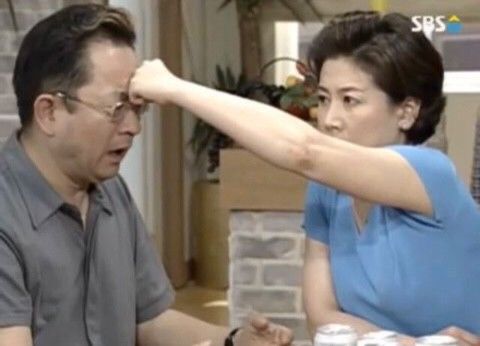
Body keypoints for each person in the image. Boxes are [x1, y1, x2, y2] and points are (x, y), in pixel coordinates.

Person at [129, 10, 480, 346]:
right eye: (324, 99)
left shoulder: (430, 173)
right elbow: (322, 318)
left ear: (406, 111)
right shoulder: (328, 190)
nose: (330, 118)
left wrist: (175, 88)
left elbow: (303, 151)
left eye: (350, 101)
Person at [0, 4, 293, 346]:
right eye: (117, 109)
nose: (134, 127)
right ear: (49, 112)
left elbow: (150, 319)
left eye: (138, 109)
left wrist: (234, 341)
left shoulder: (110, 191)